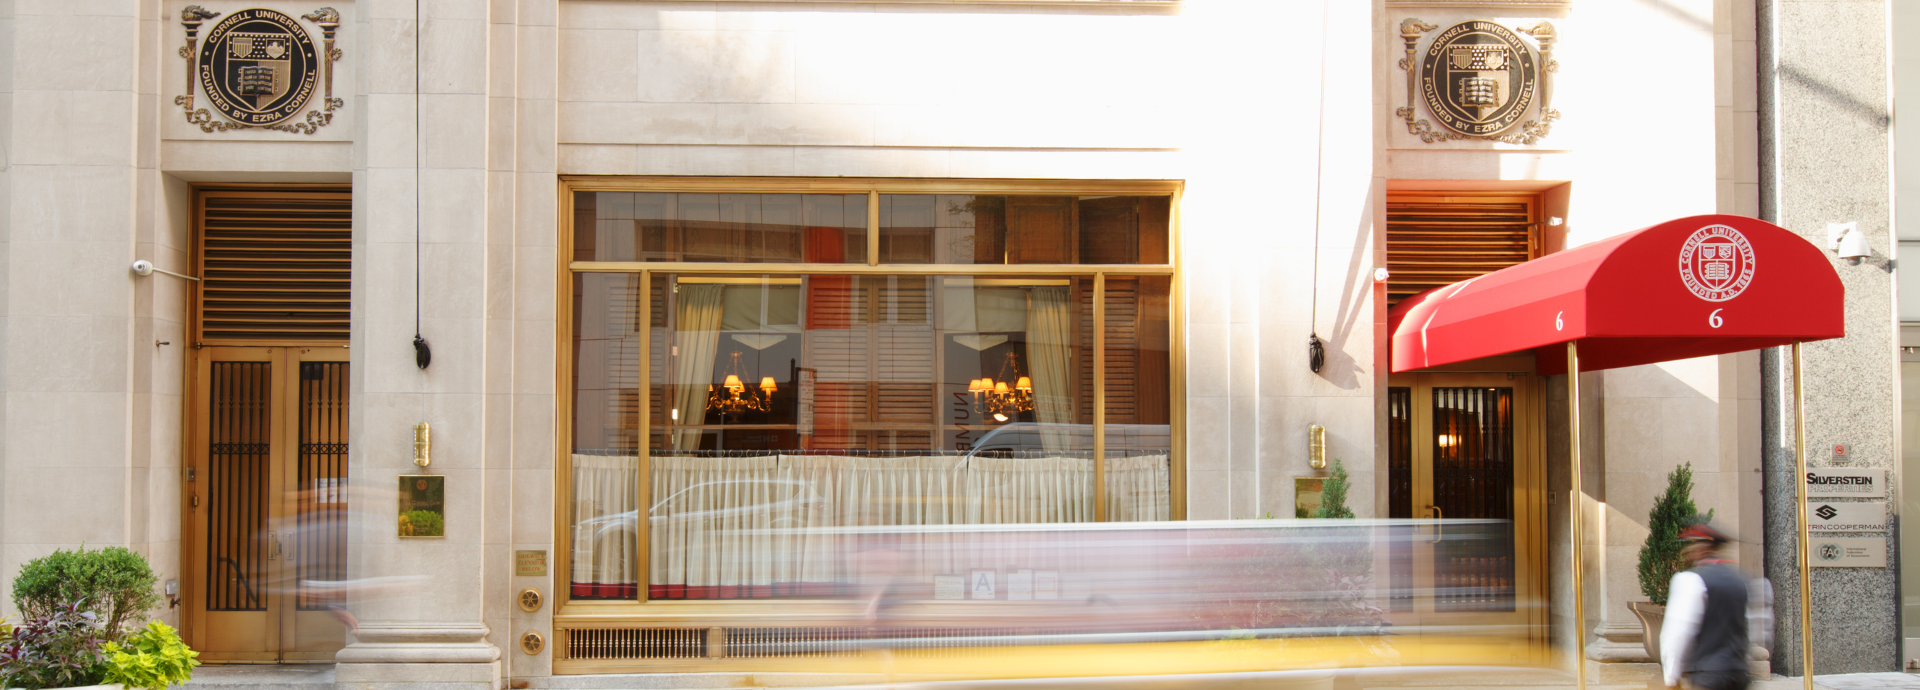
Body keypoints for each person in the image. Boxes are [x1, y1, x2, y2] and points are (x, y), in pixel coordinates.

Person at [1660, 520, 1751, 690]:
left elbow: (1678, 632)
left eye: (1691, 544)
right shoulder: (1740, 579)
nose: (1687, 550)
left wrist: (1672, 677)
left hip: (1708, 676)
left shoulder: (1690, 580)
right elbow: (1751, 627)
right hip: (1739, 674)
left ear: (1703, 547)